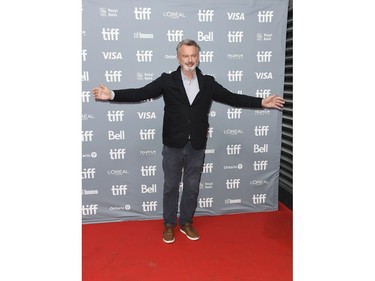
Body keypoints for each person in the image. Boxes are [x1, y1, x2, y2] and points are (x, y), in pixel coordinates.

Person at [93, 39, 285, 244]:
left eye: (193, 55)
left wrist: (261, 102)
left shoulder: (208, 82)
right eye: (185, 55)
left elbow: (232, 98)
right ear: (178, 57)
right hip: (173, 145)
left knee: (192, 187)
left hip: (197, 145)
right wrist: (112, 94)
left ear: (198, 56)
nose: (190, 59)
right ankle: (169, 224)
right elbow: (141, 93)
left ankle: (186, 222)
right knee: (170, 187)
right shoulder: (167, 80)